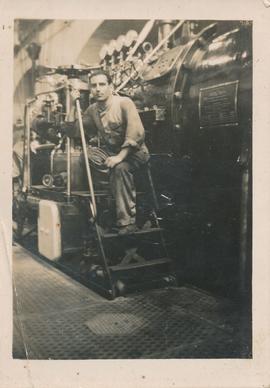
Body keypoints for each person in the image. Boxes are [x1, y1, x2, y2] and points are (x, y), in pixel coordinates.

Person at [66, 70, 150, 234]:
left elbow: (136, 133)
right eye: (94, 85)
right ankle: (114, 191)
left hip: (135, 154)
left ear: (110, 86)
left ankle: (127, 223)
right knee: (87, 156)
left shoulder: (124, 103)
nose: (98, 89)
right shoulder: (93, 110)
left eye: (102, 84)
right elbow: (75, 131)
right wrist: (72, 104)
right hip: (111, 154)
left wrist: (120, 157)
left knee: (120, 169)